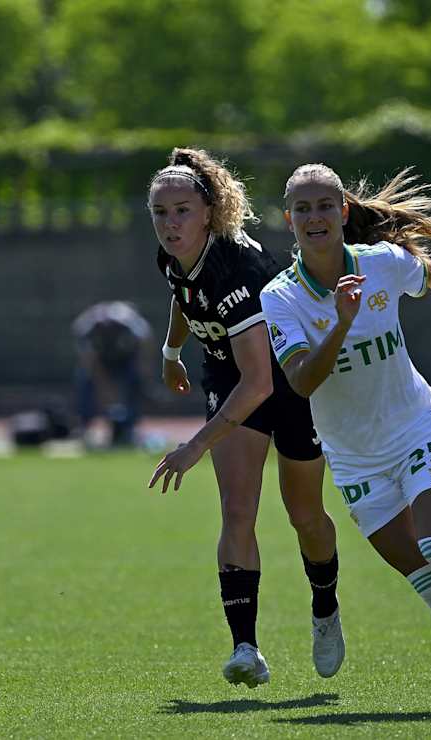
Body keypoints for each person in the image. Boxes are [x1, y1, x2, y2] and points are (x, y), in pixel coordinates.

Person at [260, 163, 431, 712]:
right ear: (289, 220)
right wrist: (341, 321)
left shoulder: (382, 263)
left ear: (342, 212)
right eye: (303, 208)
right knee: (429, 582)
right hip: (356, 462)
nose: (315, 217)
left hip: (415, 430)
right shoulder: (280, 298)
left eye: (324, 206)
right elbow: (301, 381)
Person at [145, 148, 344, 687]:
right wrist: (170, 353)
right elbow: (182, 296)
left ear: (207, 212)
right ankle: (245, 648)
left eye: (182, 211)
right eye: (160, 214)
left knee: (305, 516)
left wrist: (194, 445)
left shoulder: (236, 268)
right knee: (238, 510)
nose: (170, 224)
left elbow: (260, 382)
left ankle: (325, 606)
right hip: (230, 380)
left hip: (288, 380)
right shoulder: (173, 255)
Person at [71, 300, 152, 447]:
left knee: (135, 379)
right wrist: (105, 391)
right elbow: (91, 363)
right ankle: (84, 425)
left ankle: (129, 426)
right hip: (102, 360)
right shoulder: (87, 329)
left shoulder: (131, 324)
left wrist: (144, 369)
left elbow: (145, 346)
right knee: (85, 381)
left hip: (125, 359)